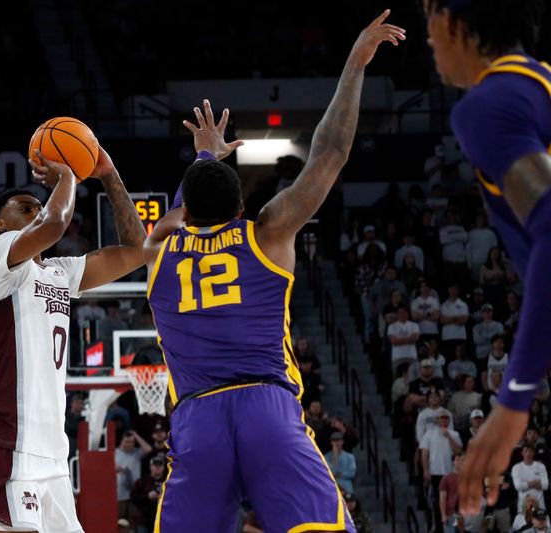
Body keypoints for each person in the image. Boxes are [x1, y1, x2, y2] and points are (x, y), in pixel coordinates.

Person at [144, 14, 404, 531]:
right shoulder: (267, 232)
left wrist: (204, 154)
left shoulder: (159, 246)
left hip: (198, 420)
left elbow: (190, 203)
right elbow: (330, 152)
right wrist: (355, 60)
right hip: (268, 410)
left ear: (184, 211)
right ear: (241, 205)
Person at [0, 137, 146, 533]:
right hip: (4, 433)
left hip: (51, 449)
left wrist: (109, 175)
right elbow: (55, 222)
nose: (37, 210)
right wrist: (67, 175)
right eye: (25, 208)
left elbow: (136, 250)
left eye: (38, 205)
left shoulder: (60, 272)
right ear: (0, 225)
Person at [422, 0, 551, 514]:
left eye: (429, 23)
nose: (428, 43)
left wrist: (514, 398)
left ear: (455, 22)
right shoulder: (539, 84)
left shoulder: (489, 103)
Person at [420, 410, 462, 532]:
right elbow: (424, 453)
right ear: (437, 420)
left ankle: (452, 528)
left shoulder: (454, 434)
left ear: (449, 420)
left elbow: (459, 452)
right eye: (441, 418)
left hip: (450, 473)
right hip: (435, 473)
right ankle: (438, 528)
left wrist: (448, 436)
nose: (443, 420)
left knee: (452, 502)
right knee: (436, 502)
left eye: (446, 418)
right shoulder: (429, 433)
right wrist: (425, 470)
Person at [130, 453, 167, 533]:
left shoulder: (168, 482)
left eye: (160, 465)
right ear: (150, 467)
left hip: (163, 520)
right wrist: (147, 496)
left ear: (164, 467)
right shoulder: (142, 481)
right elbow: (133, 498)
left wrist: (163, 498)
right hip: (144, 520)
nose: (157, 467)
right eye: (155, 465)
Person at [512, 444, 548, 511]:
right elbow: (518, 486)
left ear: (534, 453)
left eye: (530, 451)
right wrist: (534, 482)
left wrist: (526, 484)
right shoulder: (516, 468)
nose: (528, 454)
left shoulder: (541, 466)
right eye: (526, 451)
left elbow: (545, 486)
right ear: (522, 453)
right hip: (523, 506)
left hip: (540, 505)